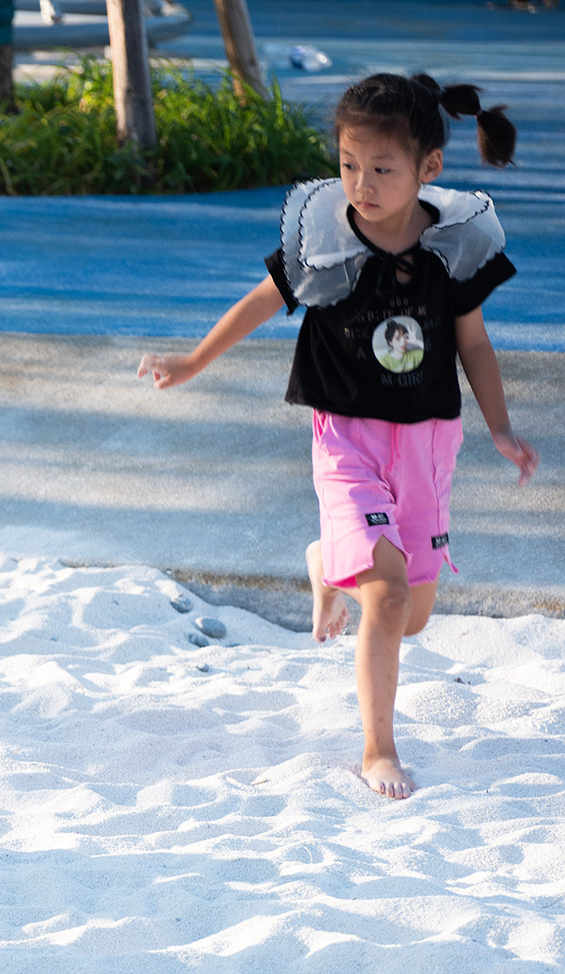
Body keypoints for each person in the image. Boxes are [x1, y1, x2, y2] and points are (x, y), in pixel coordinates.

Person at [137, 73, 538, 800]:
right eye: (349, 165)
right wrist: (192, 360)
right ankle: (378, 748)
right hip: (347, 436)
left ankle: (328, 560)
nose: (362, 183)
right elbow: (262, 302)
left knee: (411, 615)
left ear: (429, 169)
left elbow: (473, 345)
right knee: (384, 597)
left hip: (427, 442)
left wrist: (502, 427)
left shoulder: (453, 247)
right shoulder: (324, 240)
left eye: (382, 169)